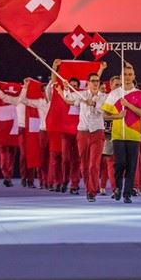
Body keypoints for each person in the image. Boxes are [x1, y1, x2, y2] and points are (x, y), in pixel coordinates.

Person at [101, 63, 141, 203]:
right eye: (125, 75)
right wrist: (117, 116)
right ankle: (117, 188)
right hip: (118, 134)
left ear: (134, 76)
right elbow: (104, 115)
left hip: (134, 134)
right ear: (121, 77)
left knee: (131, 165)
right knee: (120, 163)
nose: (127, 77)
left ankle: (127, 193)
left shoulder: (139, 94)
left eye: (130, 75)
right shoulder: (114, 94)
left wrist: (128, 105)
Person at [58, 72, 107, 202]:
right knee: (84, 165)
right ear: (88, 83)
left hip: (97, 133)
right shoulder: (82, 95)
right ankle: (88, 188)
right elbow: (69, 99)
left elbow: (105, 110)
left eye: (97, 81)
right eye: (93, 81)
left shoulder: (104, 96)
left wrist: (94, 104)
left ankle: (92, 192)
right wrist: (66, 88)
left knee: (93, 165)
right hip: (83, 133)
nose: (96, 83)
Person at [99, 76, 120, 195]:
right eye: (116, 85)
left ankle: (104, 186)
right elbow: (102, 116)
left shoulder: (124, 99)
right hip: (108, 135)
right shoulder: (105, 99)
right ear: (110, 86)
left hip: (122, 135)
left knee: (117, 163)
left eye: (120, 85)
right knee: (110, 162)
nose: (118, 87)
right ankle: (113, 188)